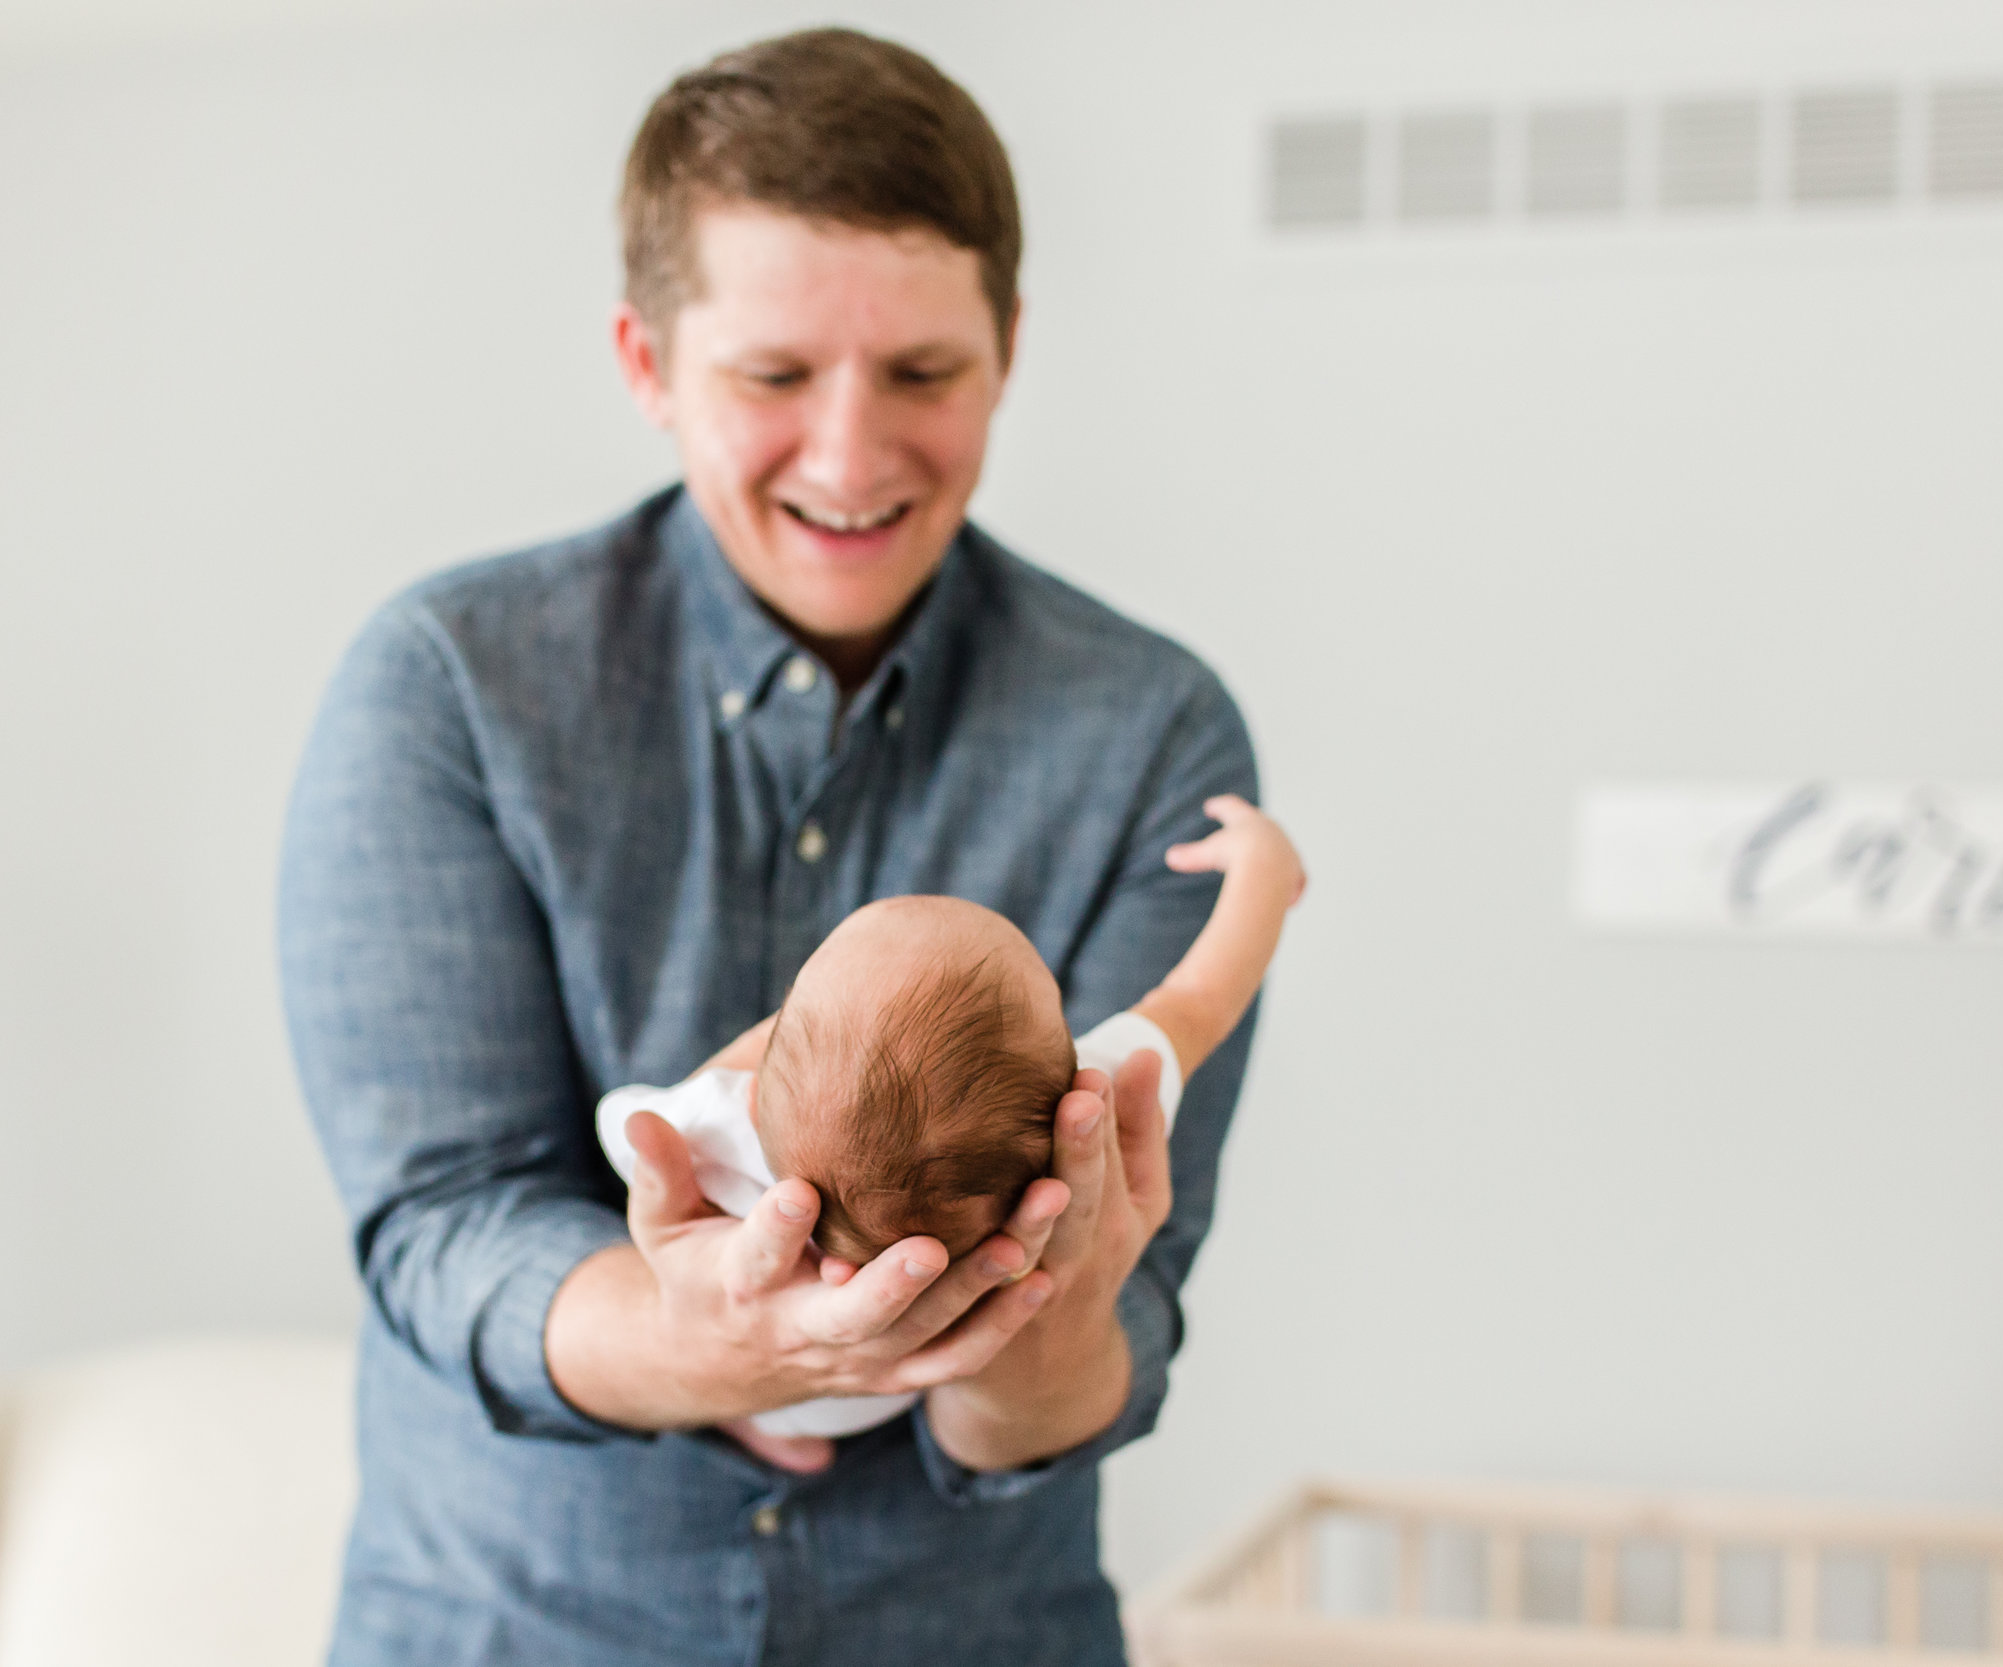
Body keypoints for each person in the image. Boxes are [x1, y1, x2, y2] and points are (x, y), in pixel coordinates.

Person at [278, 26, 1263, 1664]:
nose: (854, 456)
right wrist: (704, 1339)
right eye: (776, 375)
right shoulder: (444, 687)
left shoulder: (1154, 732)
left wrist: (1032, 1321)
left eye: (925, 374)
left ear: (1009, 349)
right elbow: (446, 1224)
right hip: (513, 1625)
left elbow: (1108, 1343)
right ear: (650, 361)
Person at [593, 793, 1302, 1445]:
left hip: (785, 1371)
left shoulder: (725, 1117)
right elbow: (1200, 996)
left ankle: (773, 1426)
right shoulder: (1094, 1095)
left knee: (767, 1385)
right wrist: (1265, 876)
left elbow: (624, 1126)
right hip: (929, 1367)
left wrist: (746, 1060)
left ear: (753, 1099)